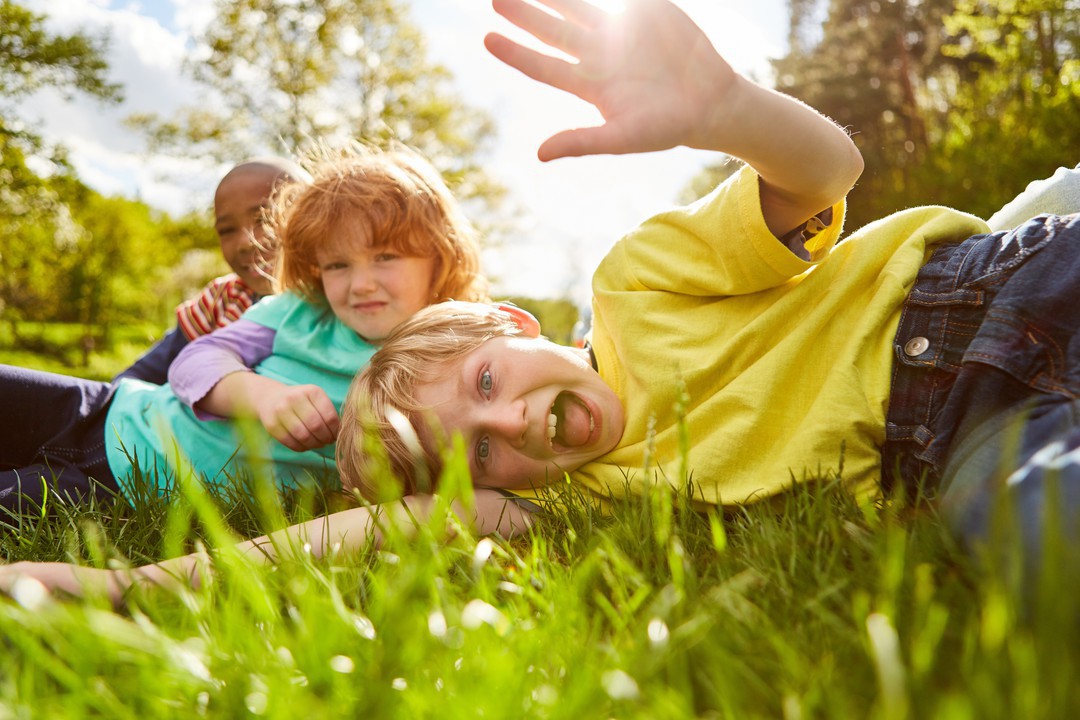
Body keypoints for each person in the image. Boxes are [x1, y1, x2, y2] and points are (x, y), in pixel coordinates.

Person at [2, 0, 1075, 604]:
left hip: (1004, 286)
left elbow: (826, 170)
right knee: (1046, 549)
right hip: (972, 436)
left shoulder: (635, 287)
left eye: (484, 383)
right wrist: (137, 585)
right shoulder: (592, 499)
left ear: (513, 328)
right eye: (478, 453)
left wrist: (730, 109)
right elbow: (379, 527)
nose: (508, 424)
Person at [0, 144, 487, 513]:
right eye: (337, 264)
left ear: (439, 255)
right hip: (107, 410)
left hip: (131, 478)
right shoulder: (299, 309)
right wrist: (263, 396)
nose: (360, 284)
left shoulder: (443, 362)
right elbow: (192, 362)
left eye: (385, 257)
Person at [116, 158, 310, 385]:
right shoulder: (221, 301)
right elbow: (134, 379)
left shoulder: (339, 305)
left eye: (264, 219)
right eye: (227, 230)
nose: (246, 243)